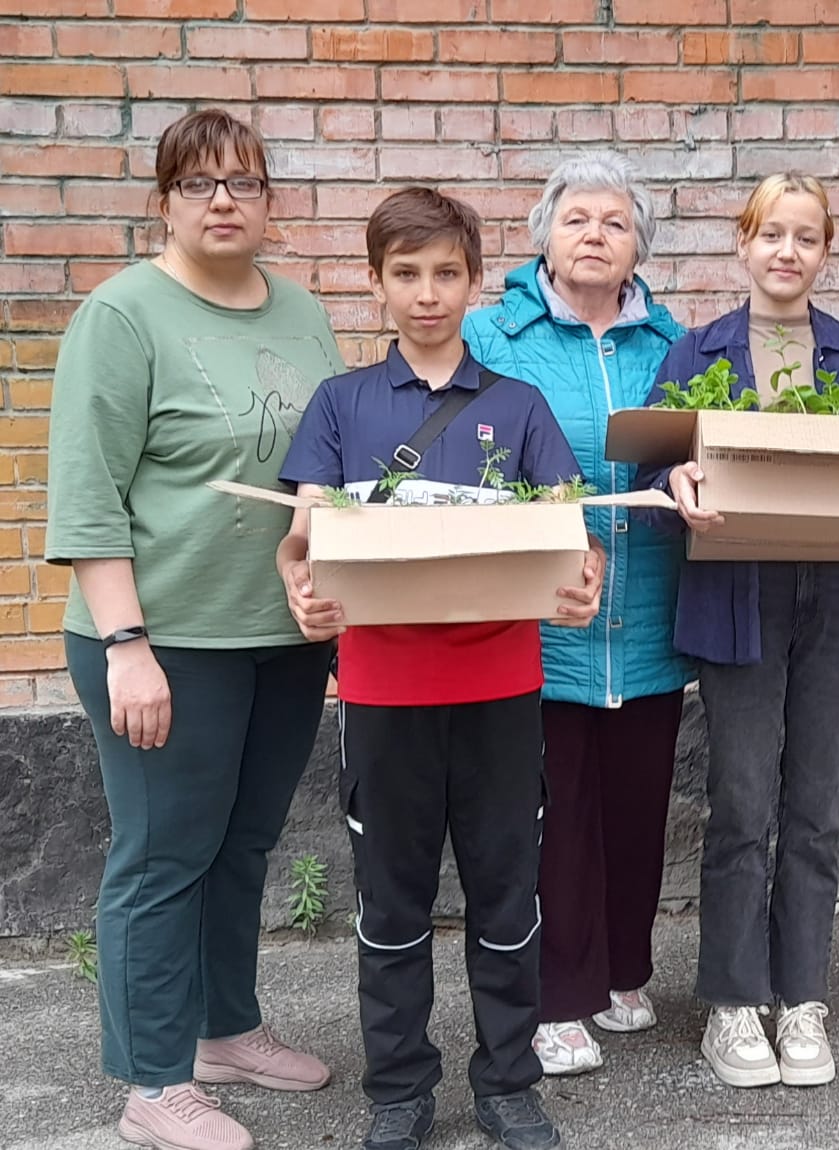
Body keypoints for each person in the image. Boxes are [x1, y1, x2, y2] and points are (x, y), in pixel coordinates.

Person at [277, 187, 603, 1150]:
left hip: (502, 689)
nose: (428, 294)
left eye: (447, 274)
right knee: (392, 905)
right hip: (384, 696)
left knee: (508, 897)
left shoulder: (519, 404)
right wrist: (301, 590)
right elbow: (302, 540)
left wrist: (586, 581)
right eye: (406, 274)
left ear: (473, 282)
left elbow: (572, 536)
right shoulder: (341, 404)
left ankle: (508, 1081)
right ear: (376, 284)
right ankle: (397, 1090)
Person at [44, 109, 344, 1150]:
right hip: (162, 636)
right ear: (164, 200)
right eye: (198, 183)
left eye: (243, 182)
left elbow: (325, 470)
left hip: (282, 633)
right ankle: (151, 1078)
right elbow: (87, 495)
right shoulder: (123, 316)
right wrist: (126, 645)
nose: (222, 200)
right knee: (163, 853)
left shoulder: (303, 313)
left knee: (245, 841)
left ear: (270, 202)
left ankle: (225, 1028)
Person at [640, 172, 839, 1088]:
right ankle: (734, 1004)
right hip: (739, 595)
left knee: (816, 809)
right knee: (741, 805)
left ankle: (803, 995)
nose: (787, 252)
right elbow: (656, 472)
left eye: (806, 237)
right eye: (771, 233)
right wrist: (674, 486)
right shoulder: (696, 355)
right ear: (743, 243)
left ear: (825, 251)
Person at [464, 153, 693, 1077]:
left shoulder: (674, 346)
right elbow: (473, 454)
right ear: (544, 236)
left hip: (649, 615)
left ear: (640, 245)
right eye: (578, 219)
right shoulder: (495, 336)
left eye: (615, 221)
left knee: (639, 805)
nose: (596, 234)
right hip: (543, 621)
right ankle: (557, 997)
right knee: (553, 813)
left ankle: (624, 973)